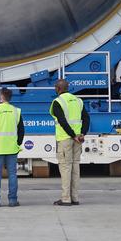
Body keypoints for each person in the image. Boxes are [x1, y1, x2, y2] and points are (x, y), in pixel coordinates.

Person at [50, 78, 88, 207]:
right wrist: (82, 134)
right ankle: (75, 198)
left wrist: (72, 135)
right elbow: (86, 118)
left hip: (65, 139)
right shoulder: (78, 101)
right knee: (75, 167)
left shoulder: (58, 102)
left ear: (58, 89)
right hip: (78, 139)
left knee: (66, 168)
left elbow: (62, 121)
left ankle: (66, 198)